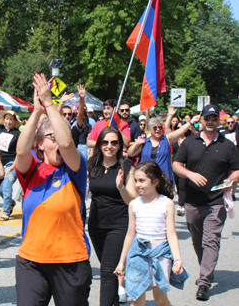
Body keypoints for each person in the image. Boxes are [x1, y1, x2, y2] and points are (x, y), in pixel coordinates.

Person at [14, 73, 91, 305]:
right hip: (30, 261)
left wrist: (49, 104)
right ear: (40, 144)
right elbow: (20, 151)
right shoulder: (32, 171)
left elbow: (67, 143)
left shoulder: (75, 168)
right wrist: (37, 111)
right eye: (51, 137)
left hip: (71, 260)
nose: (58, 141)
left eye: (59, 134)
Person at [172, 104, 239, 301]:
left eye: (214, 118)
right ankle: (206, 269)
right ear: (201, 119)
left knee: (211, 240)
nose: (210, 122)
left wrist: (231, 179)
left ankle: (204, 283)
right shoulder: (190, 142)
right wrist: (190, 174)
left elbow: (237, 169)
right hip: (192, 200)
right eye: (207, 118)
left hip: (216, 201)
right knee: (197, 239)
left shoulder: (228, 145)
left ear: (219, 121)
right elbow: (176, 164)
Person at [115, 161, 185, 306]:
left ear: (155, 181)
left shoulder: (167, 203)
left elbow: (171, 234)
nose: (137, 185)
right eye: (135, 181)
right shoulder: (134, 204)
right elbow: (130, 234)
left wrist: (177, 260)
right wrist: (122, 262)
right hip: (138, 253)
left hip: (160, 254)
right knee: (136, 299)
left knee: (160, 299)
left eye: (142, 180)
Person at [87, 127, 137, 306]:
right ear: (100, 144)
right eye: (105, 142)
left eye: (114, 142)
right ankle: (114, 301)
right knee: (111, 269)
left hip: (119, 225)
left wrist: (121, 187)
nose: (109, 146)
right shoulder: (92, 165)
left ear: (119, 145)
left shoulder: (127, 167)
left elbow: (132, 200)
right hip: (95, 225)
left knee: (107, 271)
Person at [127, 106, 200, 186]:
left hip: (164, 181)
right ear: (149, 130)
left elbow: (180, 131)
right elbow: (130, 153)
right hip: (146, 181)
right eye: (155, 128)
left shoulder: (166, 139)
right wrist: (137, 143)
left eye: (160, 127)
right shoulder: (144, 142)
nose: (158, 129)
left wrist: (191, 121)